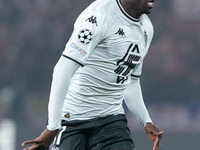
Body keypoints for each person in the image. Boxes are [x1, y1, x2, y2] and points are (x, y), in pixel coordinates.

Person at [22, 0, 164, 149]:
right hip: (73, 119)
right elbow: (62, 70)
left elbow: (130, 81)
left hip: (111, 120)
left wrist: (146, 121)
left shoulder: (146, 29)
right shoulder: (98, 16)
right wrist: (53, 126)